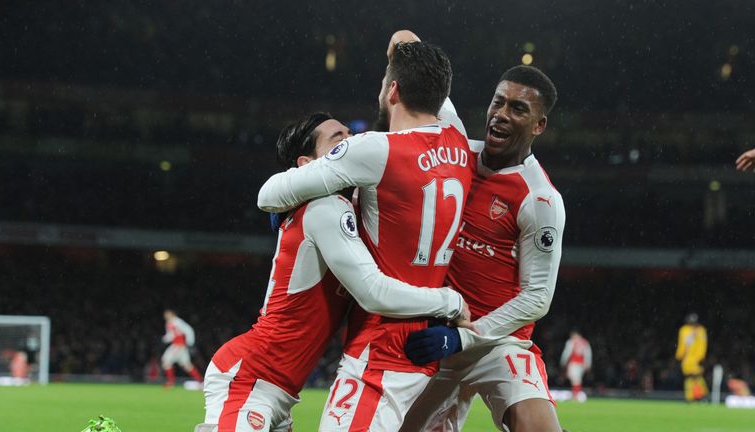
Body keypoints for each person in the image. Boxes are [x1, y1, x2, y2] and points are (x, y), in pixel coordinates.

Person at [195, 112, 471, 432]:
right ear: (306, 164)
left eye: (349, 134)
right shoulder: (325, 208)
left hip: (280, 389)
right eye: (337, 139)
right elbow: (373, 292)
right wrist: (448, 300)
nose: (350, 142)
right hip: (251, 376)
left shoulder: (357, 208)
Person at [257, 35, 479, 431]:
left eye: (384, 82)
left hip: (382, 344)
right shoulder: (459, 140)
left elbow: (268, 194)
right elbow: (424, 72)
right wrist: (407, 50)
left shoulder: (376, 150)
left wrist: (293, 199)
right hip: (427, 342)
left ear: (392, 90)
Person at [401, 63, 565, 432]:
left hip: (495, 343)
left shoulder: (540, 199)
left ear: (539, 126)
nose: (502, 114)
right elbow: (412, 54)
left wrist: (466, 335)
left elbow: (538, 296)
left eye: (518, 109)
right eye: (499, 102)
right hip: (435, 335)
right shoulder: (455, 154)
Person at [161, 309, 203, 387]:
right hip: (179, 346)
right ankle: (200, 381)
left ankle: (170, 382)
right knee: (187, 365)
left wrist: (190, 342)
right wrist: (164, 339)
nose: (166, 316)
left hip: (178, 345)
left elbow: (188, 330)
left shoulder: (177, 321)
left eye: (167, 314)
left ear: (172, 314)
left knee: (166, 360)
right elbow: (171, 335)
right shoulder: (169, 323)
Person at [675, 312, 708, 402]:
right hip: (693, 359)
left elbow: (682, 345)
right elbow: (703, 345)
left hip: (690, 359)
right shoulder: (699, 330)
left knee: (692, 378)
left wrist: (679, 356)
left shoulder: (685, 330)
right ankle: (698, 396)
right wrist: (702, 358)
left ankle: (694, 397)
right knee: (695, 377)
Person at [560, 330, 592, 402]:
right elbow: (588, 354)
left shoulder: (572, 341)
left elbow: (567, 352)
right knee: (576, 379)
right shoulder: (584, 342)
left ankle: (575, 396)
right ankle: (576, 395)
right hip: (581, 364)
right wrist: (588, 363)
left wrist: (563, 362)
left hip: (574, 363)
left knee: (575, 380)